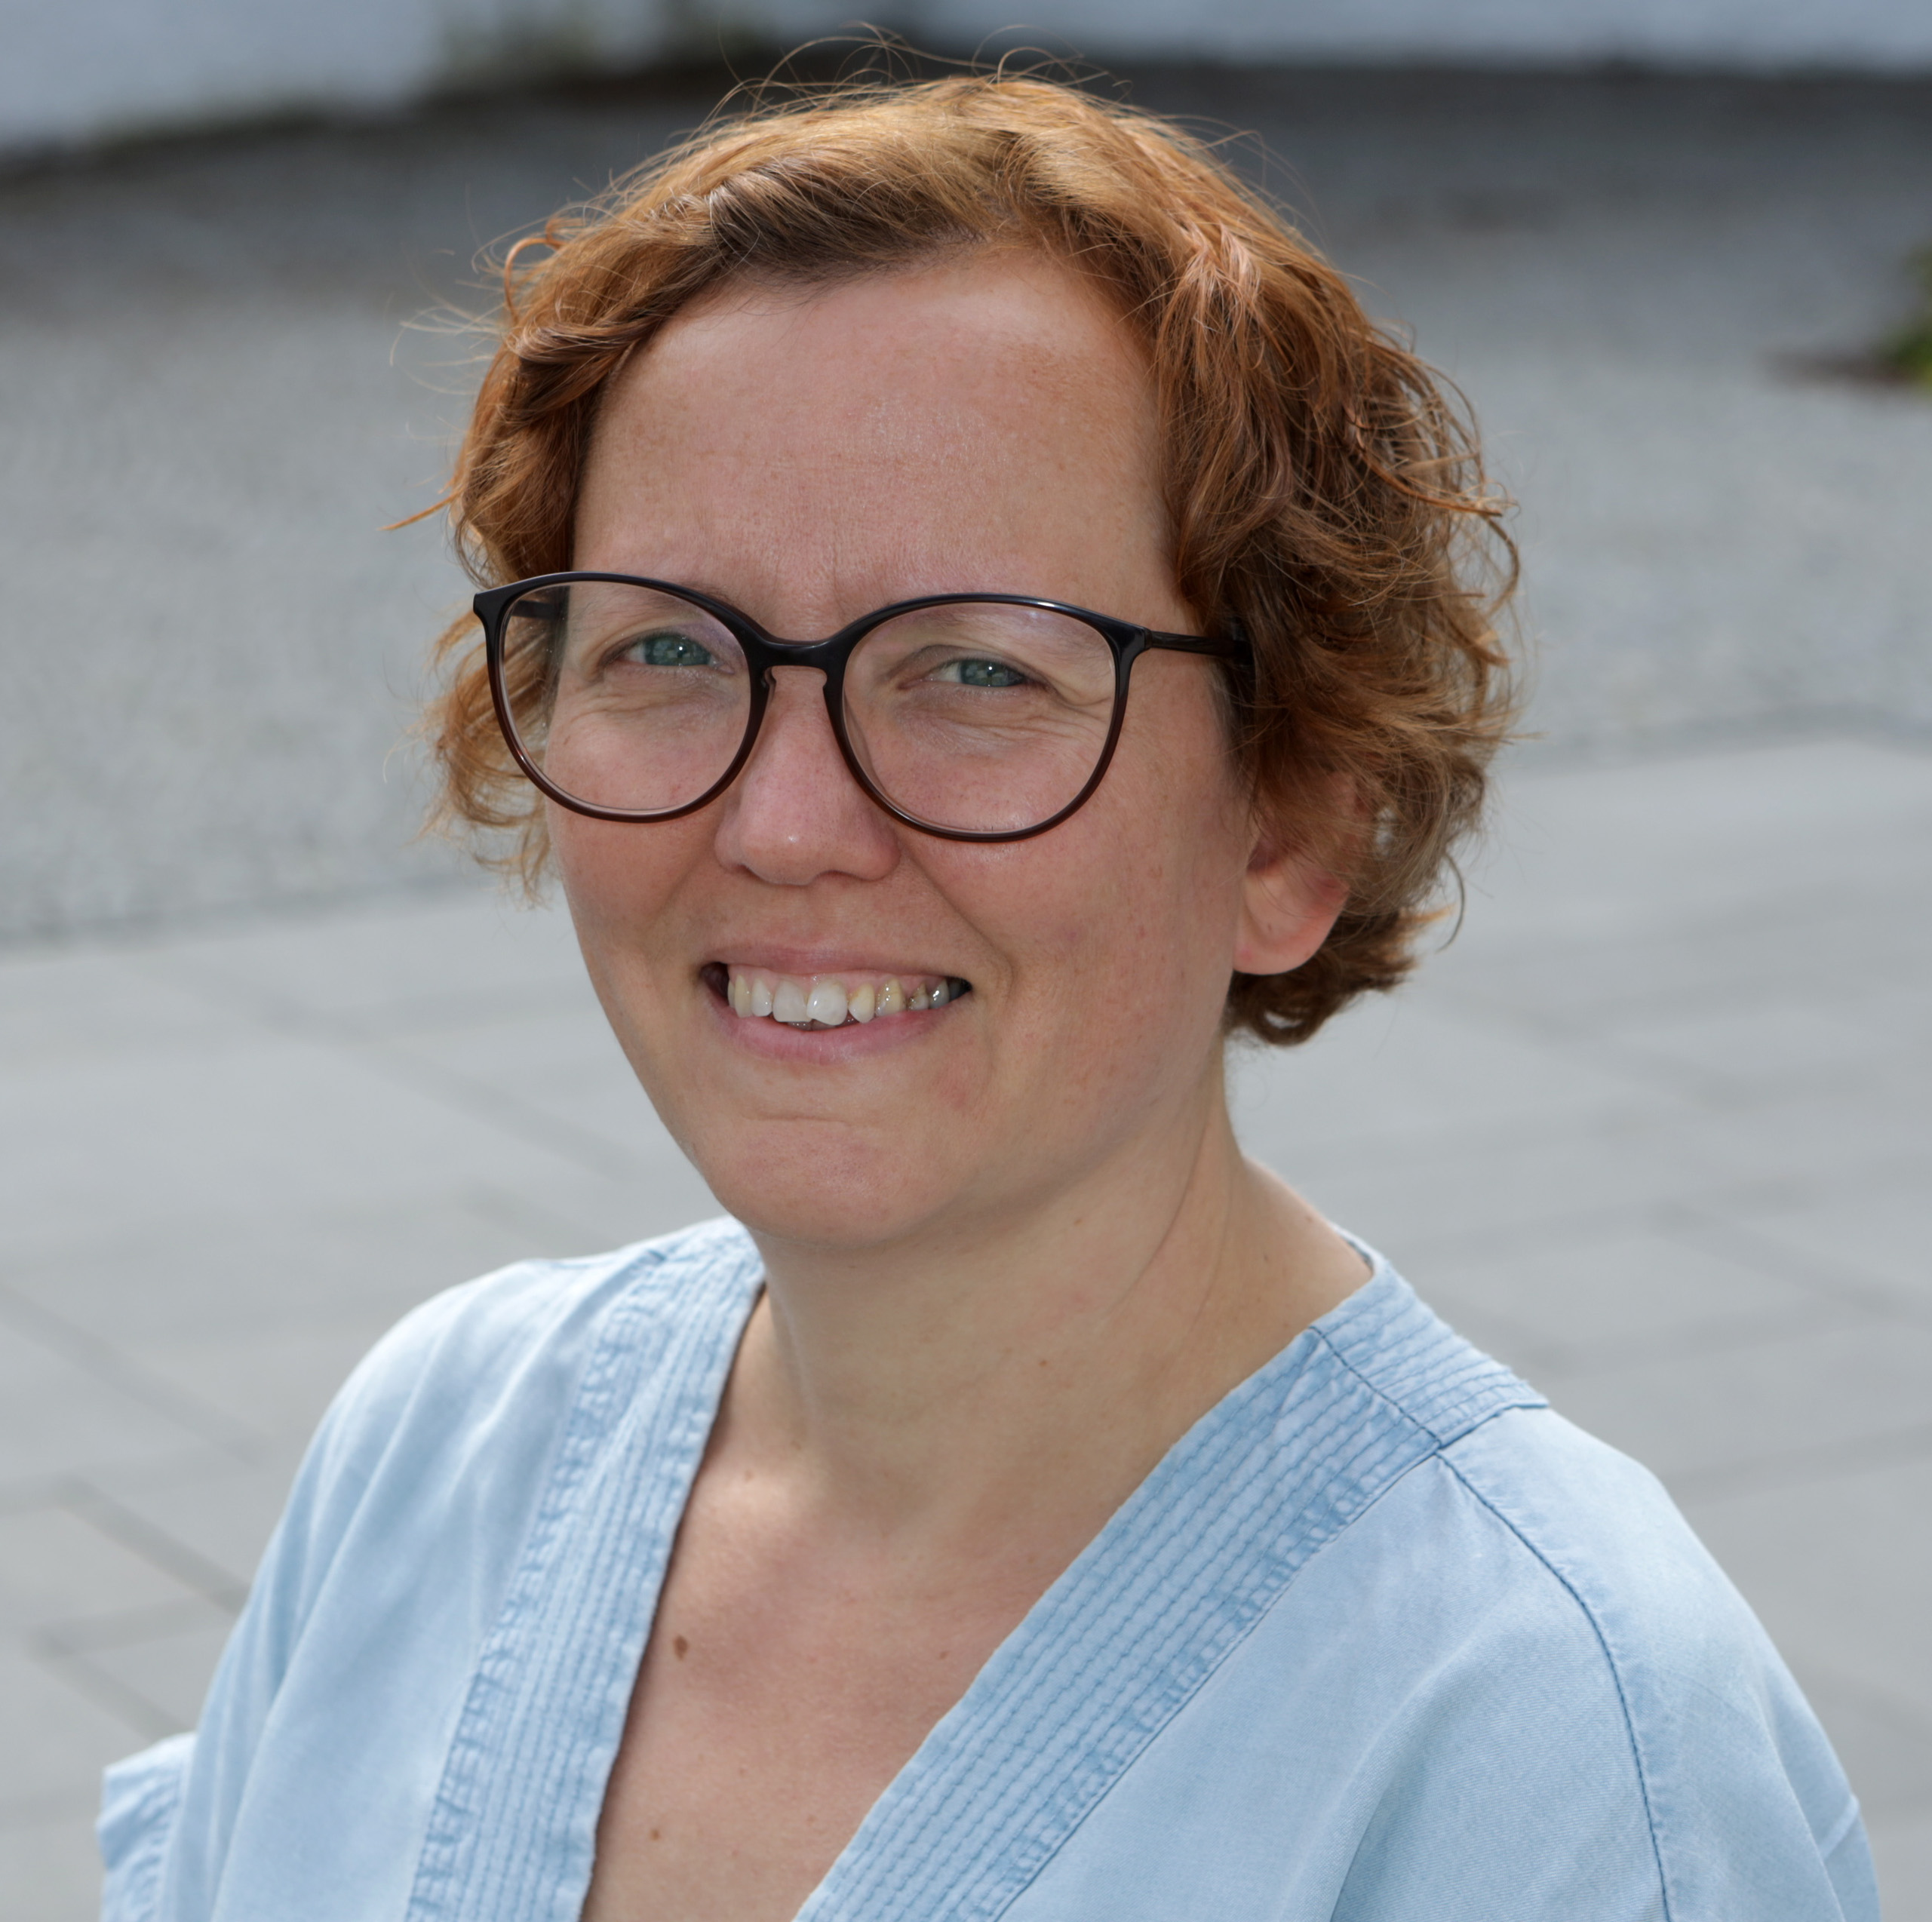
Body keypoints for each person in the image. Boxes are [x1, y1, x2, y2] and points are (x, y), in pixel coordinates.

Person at [99, 71, 1875, 1922]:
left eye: (976, 670)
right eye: (671, 646)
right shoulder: (440, 1451)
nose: (784, 824)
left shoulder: (1560, 1750)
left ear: (1289, 818)